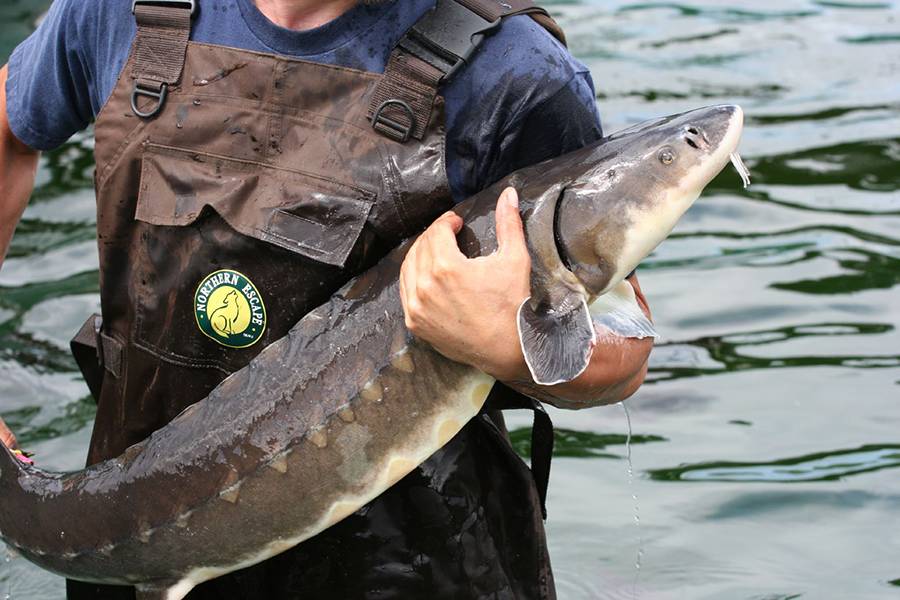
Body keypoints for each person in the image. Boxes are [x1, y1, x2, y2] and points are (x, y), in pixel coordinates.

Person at [0, 0, 653, 597]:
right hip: (129, 538)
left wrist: (510, 347)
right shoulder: (119, 11)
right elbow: (9, 129)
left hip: (412, 565)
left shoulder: (517, 75)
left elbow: (624, 347)